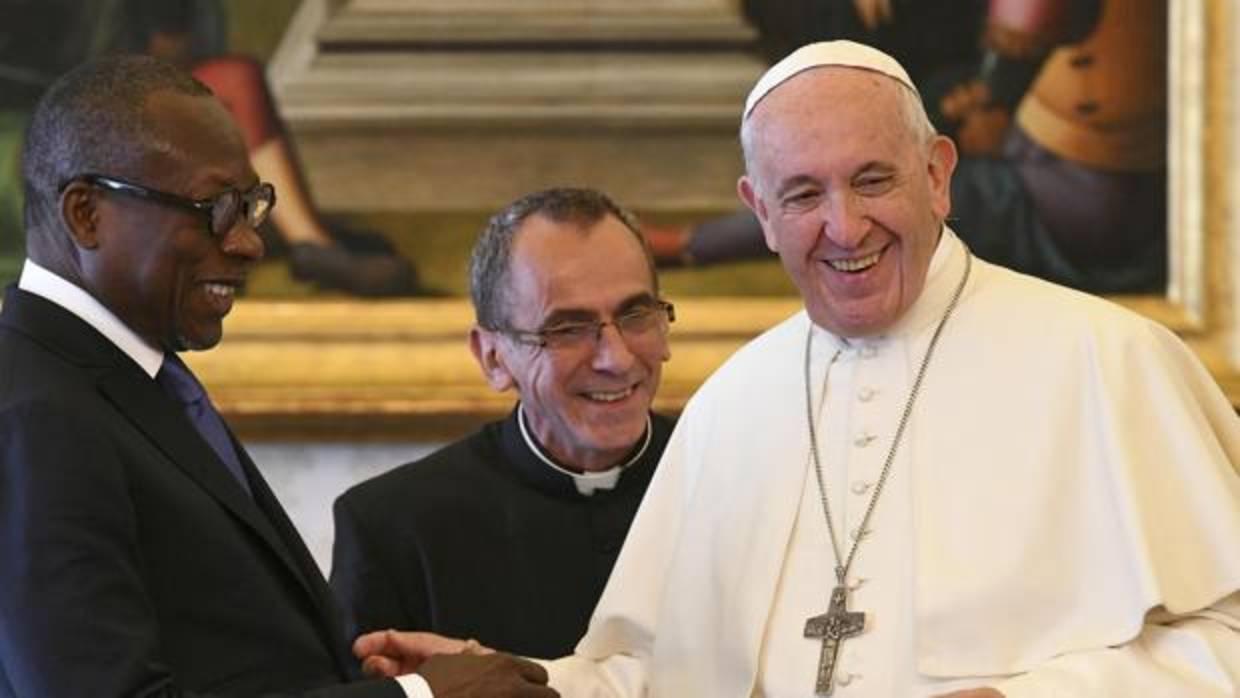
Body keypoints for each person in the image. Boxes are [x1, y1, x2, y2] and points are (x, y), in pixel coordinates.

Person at [355, 41, 1240, 697]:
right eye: (804, 195)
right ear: (759, 212)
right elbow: (654, 675)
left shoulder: (1109, 360)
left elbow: (1227, 637)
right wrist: (518, 683)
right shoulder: (734, 404)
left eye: (873, 181)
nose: (845, 229)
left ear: (937, 176)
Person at [0, 54, 552, 698]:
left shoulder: (133, 381)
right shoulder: (36, 414)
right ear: (86, 215)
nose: (248, 244)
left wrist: (355, 676)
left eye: (252, 206)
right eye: (215, 209)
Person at [331, 188, 676, 659]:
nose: (615, 359)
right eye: (568, 329)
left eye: (636, 315)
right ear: (492, 357)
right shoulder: (394, 528)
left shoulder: (742, 483)